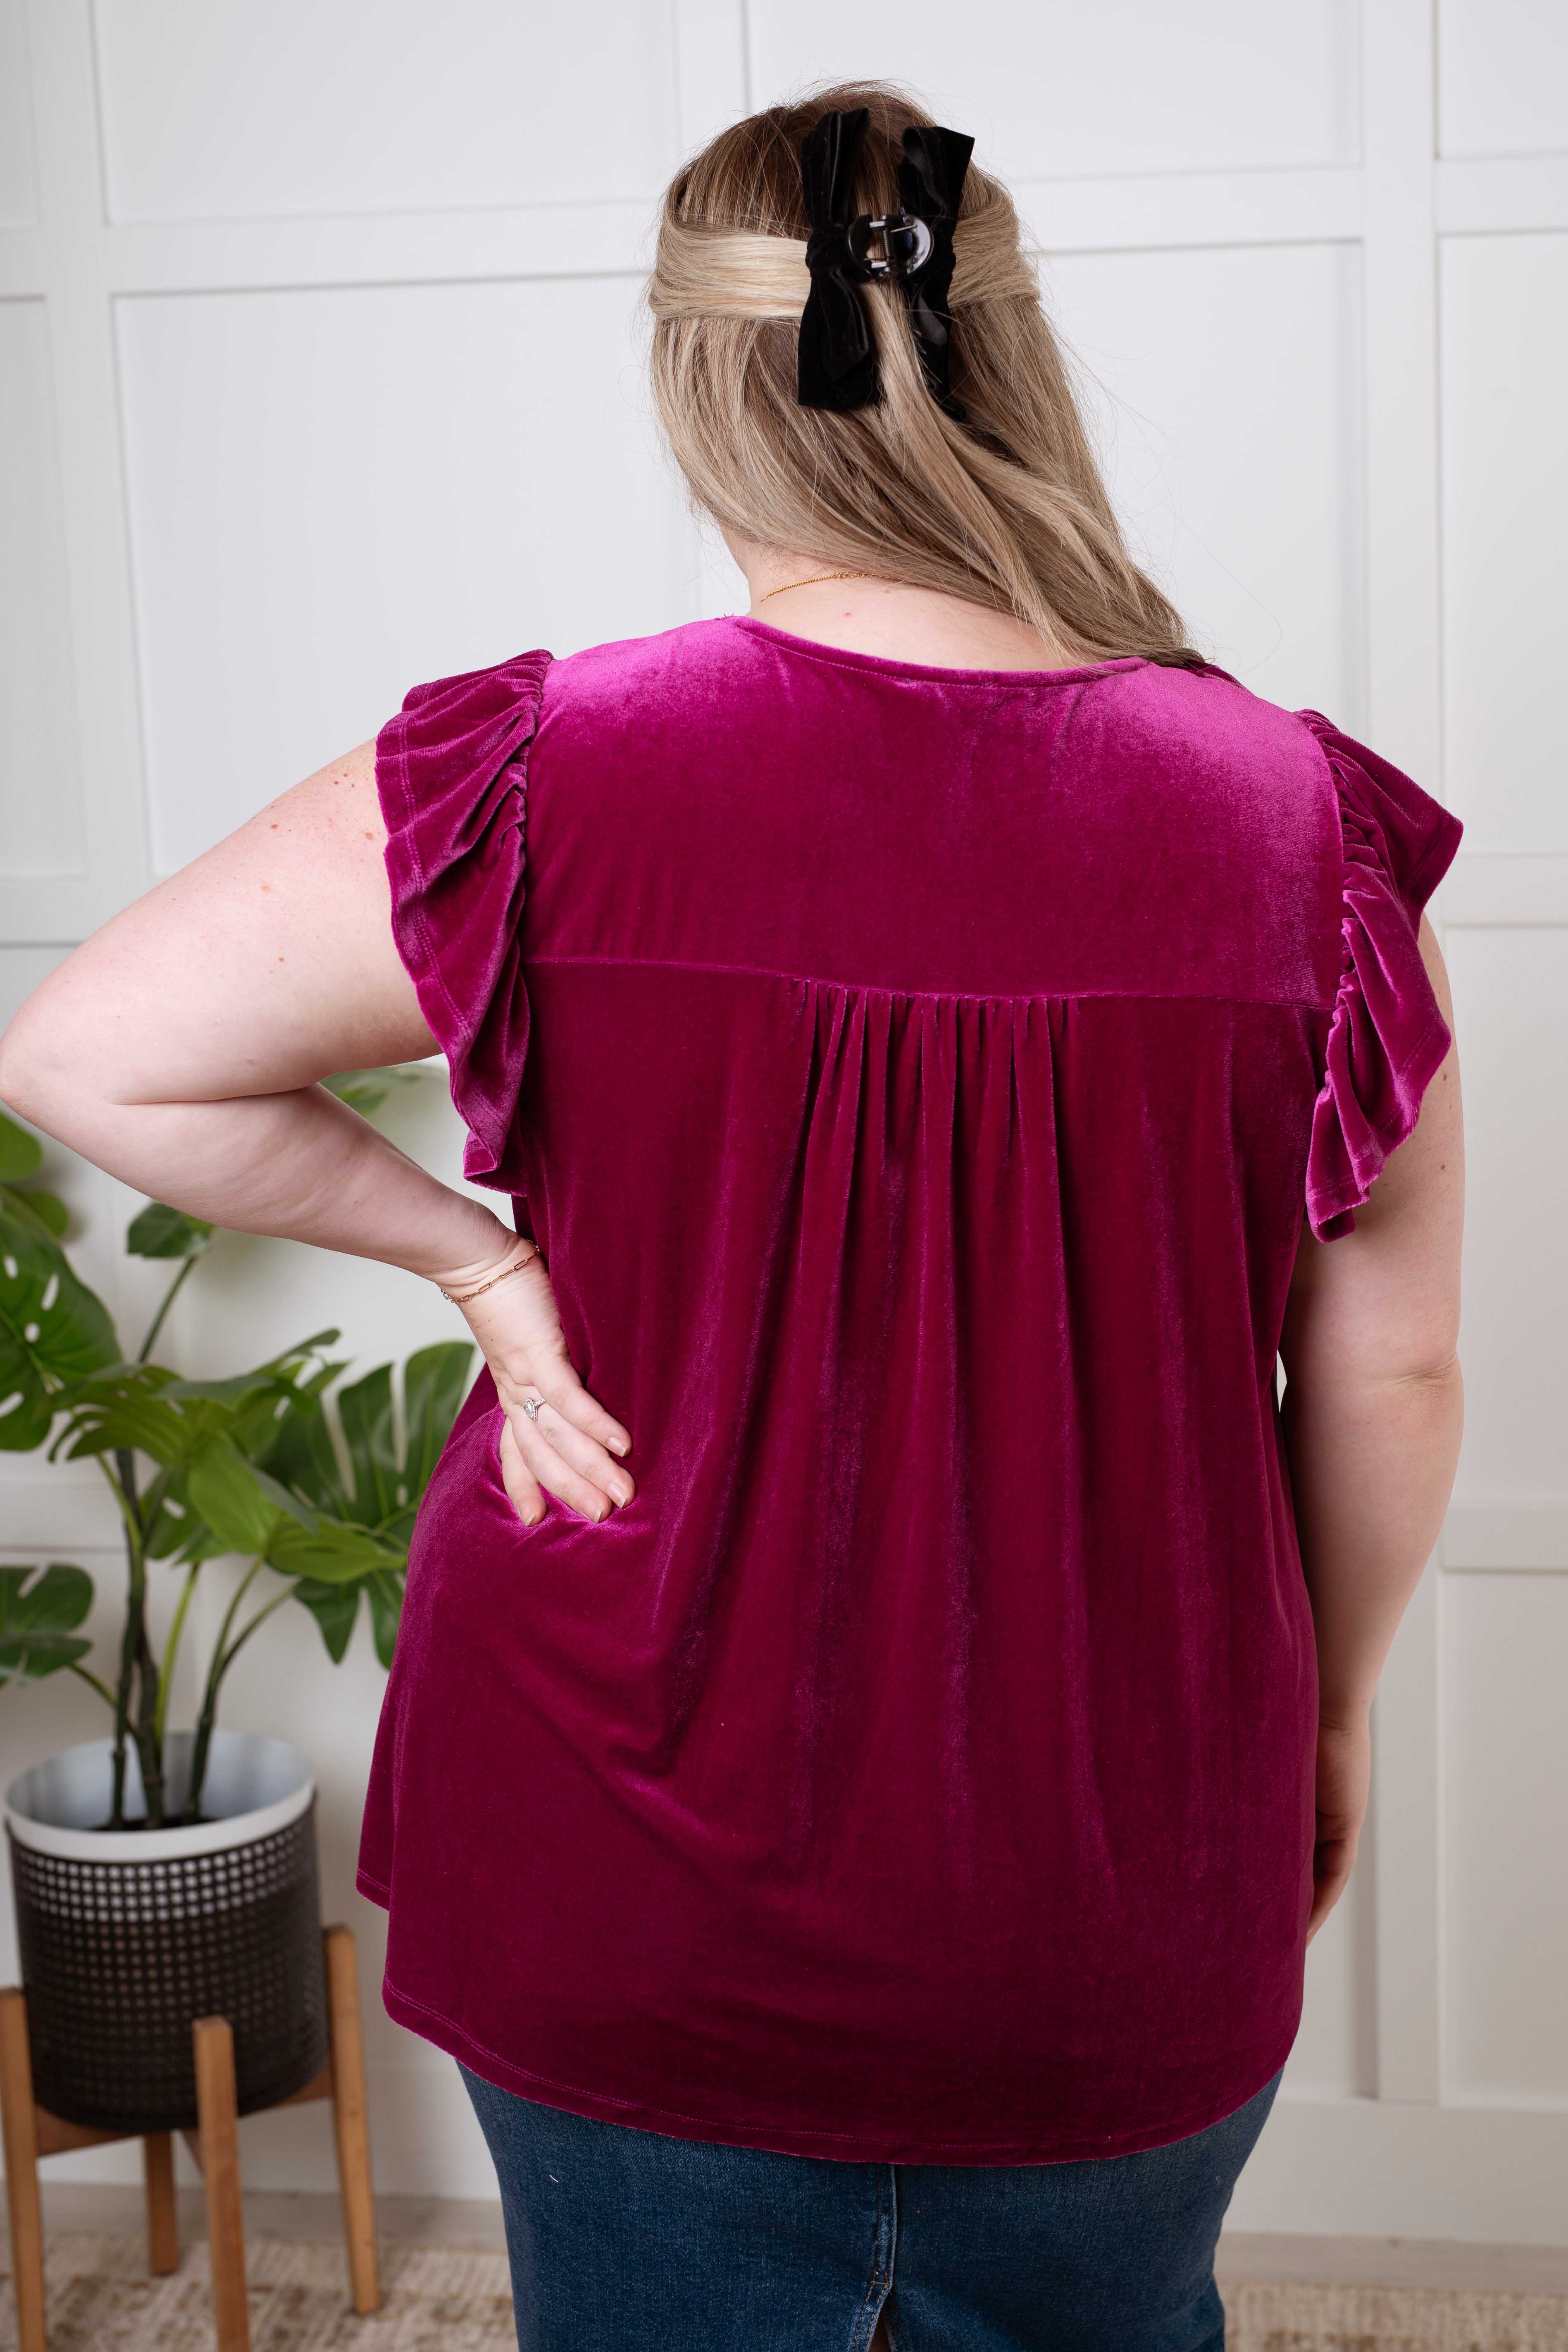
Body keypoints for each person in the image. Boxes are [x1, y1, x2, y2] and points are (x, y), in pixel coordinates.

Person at [0, 80, 1463, 2352]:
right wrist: (1333, 1716)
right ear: (1011, 358)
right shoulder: (1304, 832)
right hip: (1122, 1873)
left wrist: (479, 1263)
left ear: (700, 383)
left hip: (620, 1865)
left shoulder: (550, 775)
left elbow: (86, 1045)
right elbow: (1394, 1365)